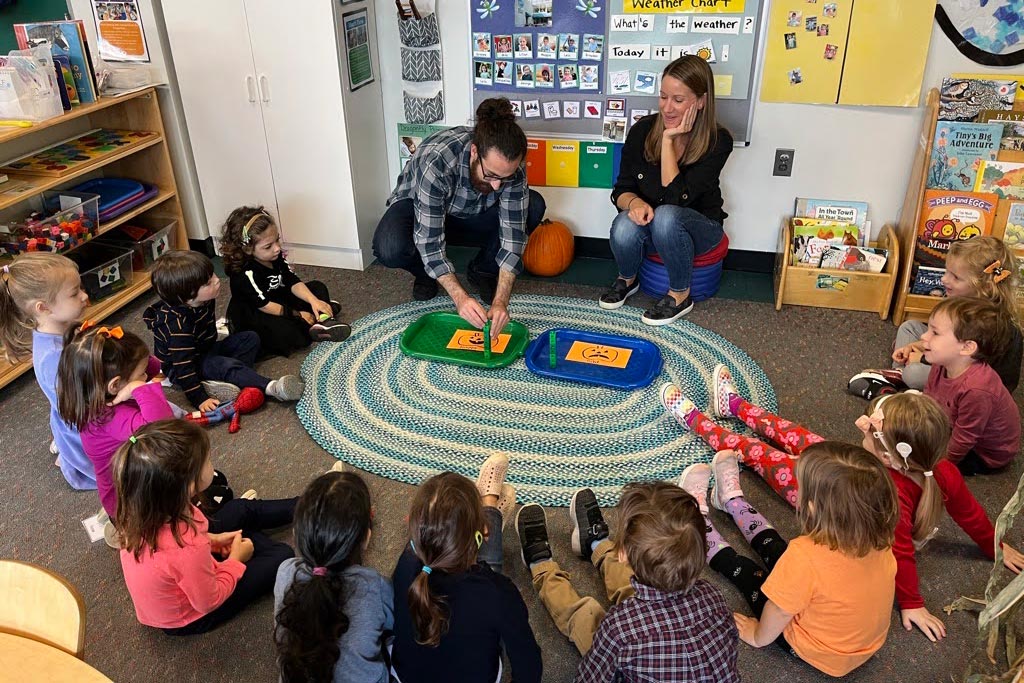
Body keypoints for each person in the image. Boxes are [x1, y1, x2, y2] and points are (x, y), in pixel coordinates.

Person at [679, 443, 899, 677]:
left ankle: (696, 522)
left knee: (746, 571)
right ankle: (732, 502)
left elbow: (779, 611)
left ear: (812, 508)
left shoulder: (805, 555)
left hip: (815, 648)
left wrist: (757, 636)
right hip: (859, 644)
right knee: (779, 551)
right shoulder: (880, 540)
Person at [516, 485, 739, 681]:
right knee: (645, 581)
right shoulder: (713, 596)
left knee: (586, 614)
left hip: (626, 640)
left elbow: (591, 677)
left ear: (622, 553)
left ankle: (541, 564)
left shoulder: (619, 629)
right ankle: (596, 545)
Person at [373, 98, 547, 339]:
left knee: (534, 204)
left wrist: (501, 301)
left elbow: (513, 235)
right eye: (491, 175)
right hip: (422, 210)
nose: (497, 186)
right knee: (389, 247)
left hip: (471, 214)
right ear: (475, 151)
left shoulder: (509, 167)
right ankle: (425, 273)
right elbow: (429, 241)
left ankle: (483, 270)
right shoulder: (437, 161)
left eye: (504, 178)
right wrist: (461, 299)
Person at [855, 392, 1024, 640]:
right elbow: (971, 515)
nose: (863, 428)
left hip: (840, 499)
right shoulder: (944, 470)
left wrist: (911, 603)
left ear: (886, 457)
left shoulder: (890, 496)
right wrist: (994, 546)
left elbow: (900, 553)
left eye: (869, 429)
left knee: (797, 465)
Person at [115, 419, 296, 634]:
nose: (212, 463)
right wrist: (235, 561)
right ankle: (252, 539)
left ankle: (310, 503)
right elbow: (209, 601)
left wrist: (212, 540)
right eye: (208, 460)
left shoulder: (148, 509)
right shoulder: (185, 549)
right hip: (192, 616)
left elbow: (177, 551)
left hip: (189, 564)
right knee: (282, 555)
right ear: (189, 484)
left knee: (238, 509)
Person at [602, 56, 733, 325]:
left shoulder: (718, 141)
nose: (667, 108)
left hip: (701, 230)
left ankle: (680, 294)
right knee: (623, 224)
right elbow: (621, 190)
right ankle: (628, 278)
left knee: (667, 215)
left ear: (701, 101)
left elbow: (676, 199)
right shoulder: (641, 131)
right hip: (656, 226)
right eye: (663, 97)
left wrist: (667, 140)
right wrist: (635, 203)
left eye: (678, 99)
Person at [390, 456, 540, 683]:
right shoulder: (497, 592)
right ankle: (490, 507)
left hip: (404, 676)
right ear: (483, 535)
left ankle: (489, 509)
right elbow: (529, 668)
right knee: (488, 572)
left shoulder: (406, 566)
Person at [849, 236, 1021, 396]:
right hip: (952, 352)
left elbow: (965, 363)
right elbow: (946, 337)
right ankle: (898, 374)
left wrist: (923, 358)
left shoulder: (986, 322)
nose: (944, 280)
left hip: (975, 383)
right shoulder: (965, 303)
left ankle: (902, 376)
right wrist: (918, 345)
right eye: (946, 272)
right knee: (909, 327)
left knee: (914, 373)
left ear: (984, 286)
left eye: (955, 277)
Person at [144, 250, 305, 410]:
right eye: (208, 283)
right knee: (223, 365)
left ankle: (235, 379)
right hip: (184, 367)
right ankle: (272, 388)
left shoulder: (203, 300)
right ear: (187, 296)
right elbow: (183, 368)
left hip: (205, 350)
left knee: (250, 338)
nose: (217, 280)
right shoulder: (177, 327)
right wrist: (199, 399)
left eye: (213, 275)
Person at [274, 470, 393, 683]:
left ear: (296, 535)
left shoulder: (285, 571)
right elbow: (395, 625)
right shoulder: (373, 586)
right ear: (366, 537)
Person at [56, 323, 174, 531]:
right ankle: (125, 534)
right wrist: (139, 387)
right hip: (133, 508)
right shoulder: (108, 418)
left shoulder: (100, 394)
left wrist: (140, 363)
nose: (147, 375)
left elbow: (154, 366)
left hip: (140, 481)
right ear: (115, 385)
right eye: (141, 374)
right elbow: (164, 427)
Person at [0, 254, 94, 489]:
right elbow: (77, 407)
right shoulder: (52, 357)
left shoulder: (61, 329)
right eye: (74, 293)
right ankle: (69, 457)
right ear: (43, 308)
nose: (84, 296)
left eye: (80, 287)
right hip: (83, 418)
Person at [221, 206, 350, 356]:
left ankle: (319, 320)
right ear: (248, 249)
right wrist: (298, 314)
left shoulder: (275, 255)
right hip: (259, 313)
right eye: (268, 246)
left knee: (317, 288)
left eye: (277, 240)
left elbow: (291, 280)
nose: (277, 248)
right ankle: (315, 323)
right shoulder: (245, 273)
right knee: (288, 334)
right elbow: (265, 306)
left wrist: (313, 300)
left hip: (279, 298)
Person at [920, 297, 1020, 475]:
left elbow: (965, 438)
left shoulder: (977, 389)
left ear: (967, 347)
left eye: (934, 333)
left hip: (985, 452)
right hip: (955, 424)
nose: (923, 336)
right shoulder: (941, 362)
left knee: (922, 462)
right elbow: (928, 397)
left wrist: (939, 465)